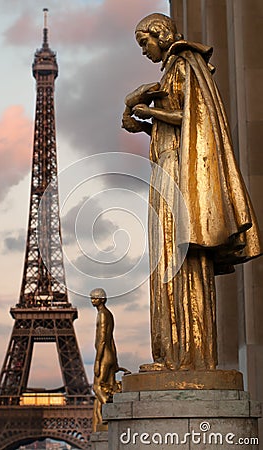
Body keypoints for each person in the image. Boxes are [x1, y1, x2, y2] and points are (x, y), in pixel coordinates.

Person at [122, 13, 262, 371]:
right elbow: (178, 123)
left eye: (144, 43)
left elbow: (195, 118)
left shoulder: (186, 63)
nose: (143, 51)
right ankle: (171, 354)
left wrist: (147, 110)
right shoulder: (171, 71)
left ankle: (188, 357)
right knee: (168, 260)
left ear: (160, 34)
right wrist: (142, 120)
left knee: (178, 258)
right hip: (167, 169)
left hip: (178, 173)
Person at [90, 288, 120, 430]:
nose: (92, 300)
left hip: (103, 355)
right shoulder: (109, 314)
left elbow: (102, 339)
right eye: (91, 298)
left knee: (97, 387)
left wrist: (97, 361)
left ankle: (109, 411)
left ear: (102, 299)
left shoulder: (102, 315)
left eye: (95, 298)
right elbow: (111, 339)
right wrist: (115, 360)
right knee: (107, 387)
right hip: (110, 355)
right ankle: (105, 416)